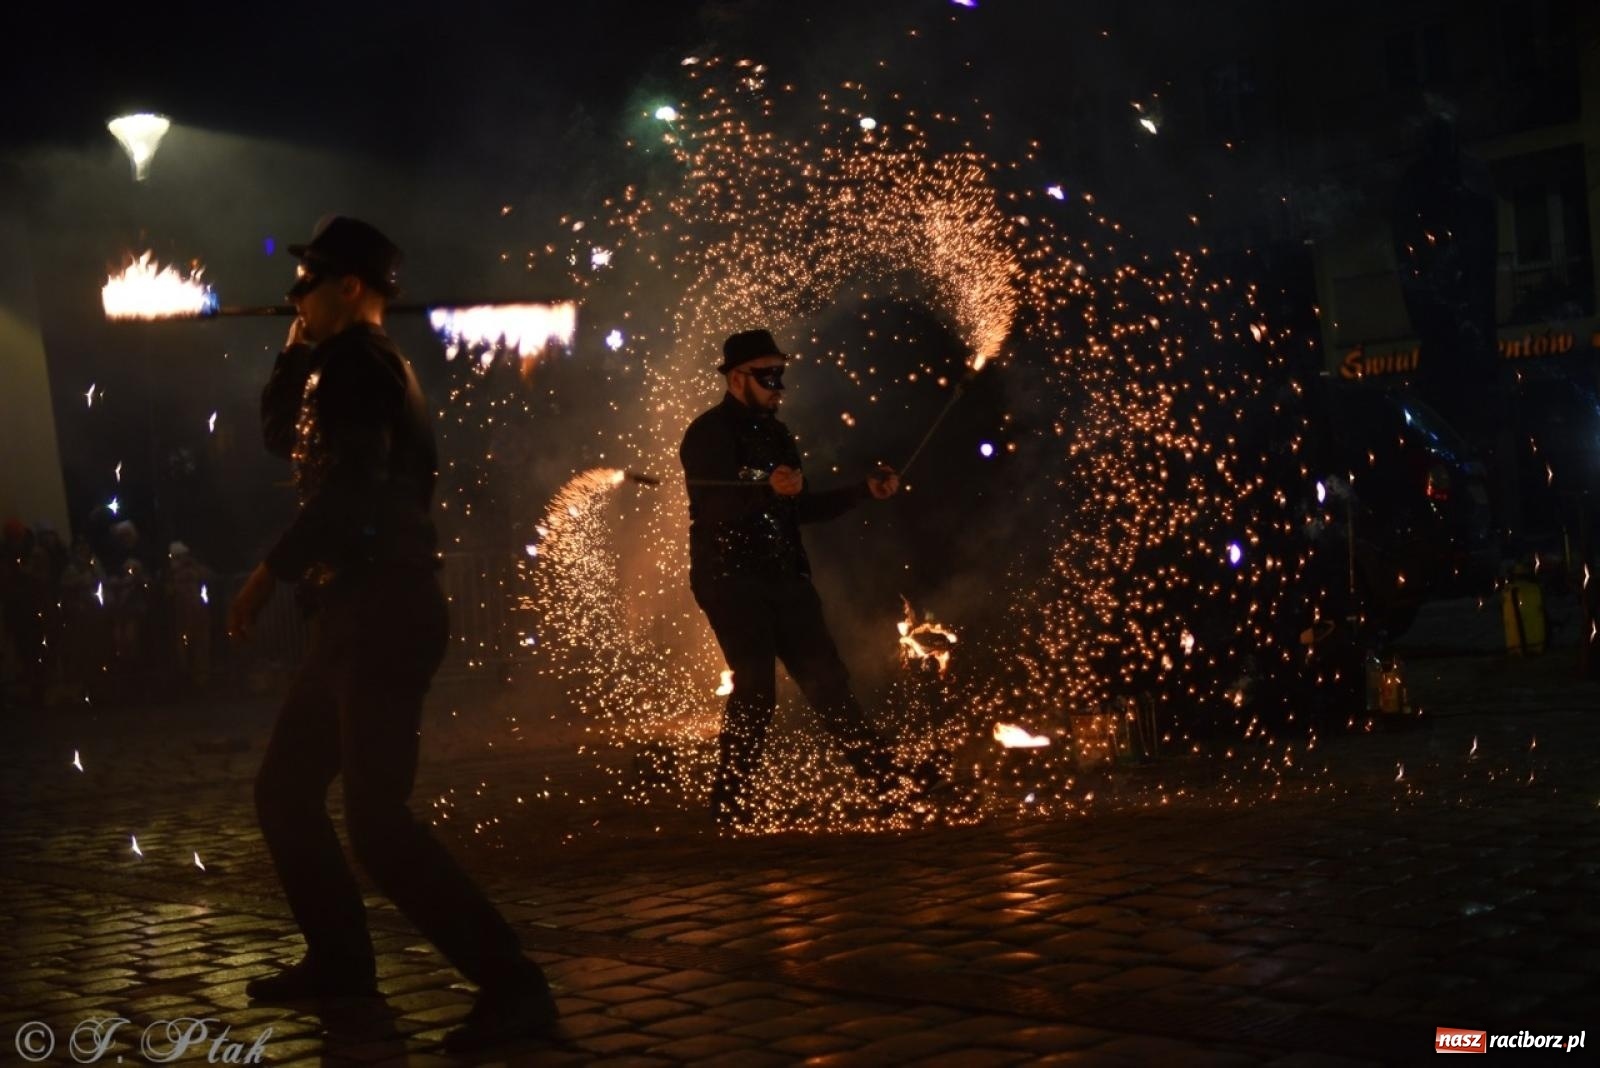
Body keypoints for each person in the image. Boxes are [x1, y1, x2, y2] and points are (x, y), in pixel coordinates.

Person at [227, 215, 556, 1053]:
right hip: (352, 616)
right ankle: (341, 962)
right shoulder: (336, 364)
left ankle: (514, 986)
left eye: (307, 283)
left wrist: (272, 572)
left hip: (385, 611)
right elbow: (279, 437)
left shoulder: (364, 365)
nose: (292, 295)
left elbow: (357, 493)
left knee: (376, 819)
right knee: (286, 793)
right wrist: (297, 347)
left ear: (348, 287)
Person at [680, 329, 907, 828]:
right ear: (738, 379)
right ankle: (731, 802)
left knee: (829, 682)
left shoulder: (778, 434)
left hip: (784, 576)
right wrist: (766, 490)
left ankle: (888, 783)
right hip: (730, 578)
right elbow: (713, 506)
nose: (779, 386)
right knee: (756, 690)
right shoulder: (707, 434)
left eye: (781, 373)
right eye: (768, 376)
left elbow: (799, 506)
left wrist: (863, 492)